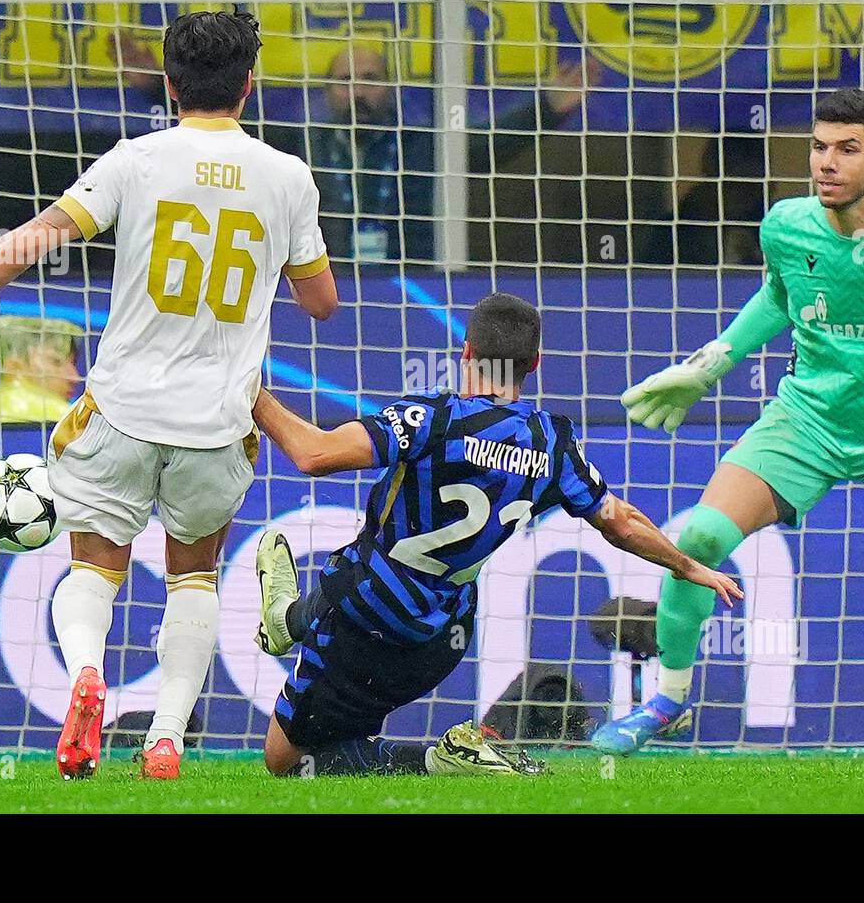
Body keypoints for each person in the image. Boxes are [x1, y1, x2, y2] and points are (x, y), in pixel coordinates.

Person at [0, 10, 339, 781]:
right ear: (250, 86)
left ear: (167, 84)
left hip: (121, 411)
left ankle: (87, 672)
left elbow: (28, 243)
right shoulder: (287, 176)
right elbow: (321, 304)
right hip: (217, 424)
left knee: (91, 567)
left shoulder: (137, 159)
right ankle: (165, 738)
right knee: (193, 574)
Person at [591, 88, 864, 764]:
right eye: (818, 146)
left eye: (846, 149)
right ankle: (667, 699)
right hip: (805, 421)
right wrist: (712, 363)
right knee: (704, 537)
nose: (826, 162)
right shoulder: (785, 224)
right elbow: (780, 294)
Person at [247, 292, 741, 776]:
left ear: (466, 351)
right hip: (440, 639)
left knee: (285, 761)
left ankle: (432, 759)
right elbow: (619, 520)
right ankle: (289, 620)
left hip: (364, 619)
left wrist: (248, 389)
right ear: (535, 363)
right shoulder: (552, 443)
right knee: (340, 731)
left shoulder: (431, 420)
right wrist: (687, 564)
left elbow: (314, 454)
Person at [261, 45, 600, 266]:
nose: (358, 92)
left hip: (412, 285)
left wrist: (547, 109)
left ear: (391, 89)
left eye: (370, 79)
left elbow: (487, 146)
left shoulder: (419, 146)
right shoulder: (301, 150)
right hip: (327, 288)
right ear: (326, 92)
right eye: (345, 81)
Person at [0, 316, 82, 425]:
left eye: (72, 364)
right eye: (56, 362)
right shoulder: (69, 423)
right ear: (14, 366)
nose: (74, 378)